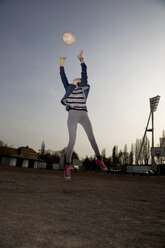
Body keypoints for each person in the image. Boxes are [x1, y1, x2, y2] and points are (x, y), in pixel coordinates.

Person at [60, 50, 108, 180]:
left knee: (92, 138)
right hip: (72, 114)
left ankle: (99, 159)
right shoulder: (68, 88)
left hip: (83, 114)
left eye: (80, 79)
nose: (78, 78)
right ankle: (67, 166)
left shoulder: (83, 89)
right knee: (72, 140)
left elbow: (84, 73)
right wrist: (61, 64)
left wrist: (81, 60)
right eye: (77, 78)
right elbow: (63, 77)